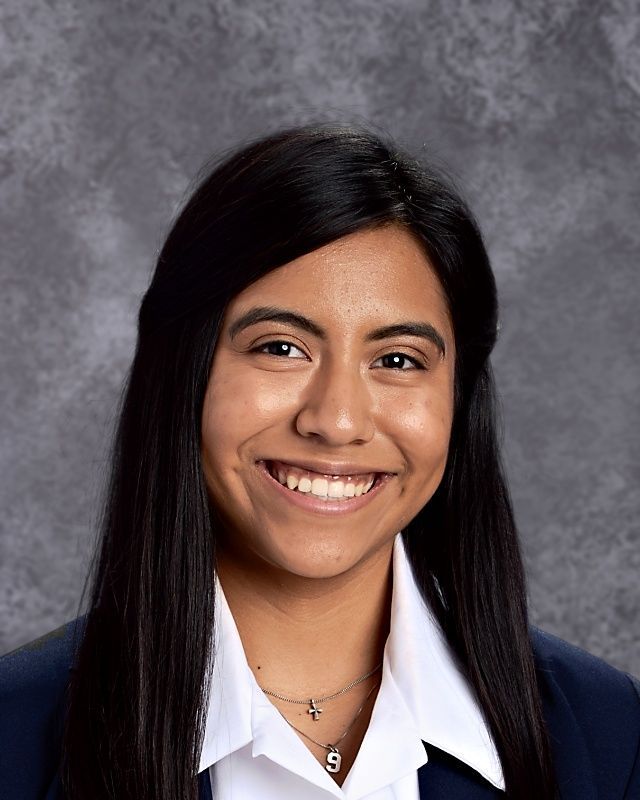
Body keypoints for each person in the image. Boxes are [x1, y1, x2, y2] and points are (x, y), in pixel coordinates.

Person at [0, 123, 638, 800]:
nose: (335, 421)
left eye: (397, 361)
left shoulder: (607, 736)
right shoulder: (14, 740)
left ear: (459, 397)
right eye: (280, 347)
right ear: (181, 370)